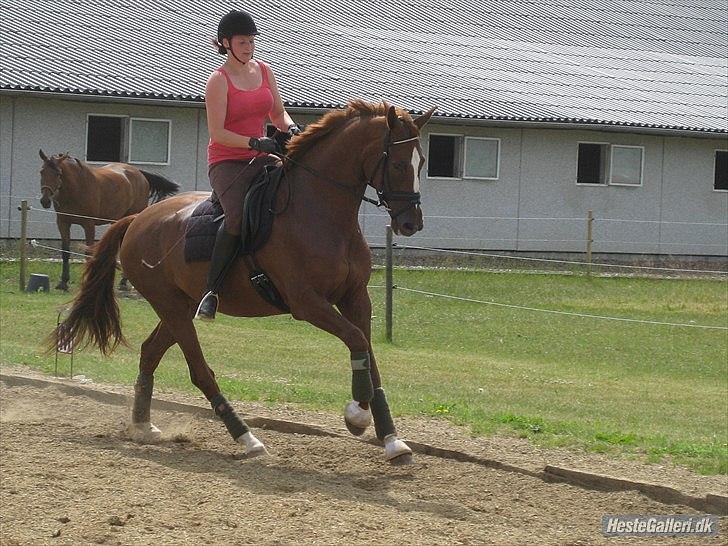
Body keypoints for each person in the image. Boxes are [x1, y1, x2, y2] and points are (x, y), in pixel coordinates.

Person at [195, 10, 301, 321]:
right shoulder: (218, 81)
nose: (249, 47)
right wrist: (254, 143)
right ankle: (211, 292)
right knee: (238, 217)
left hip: (261, 154)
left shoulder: (265, 71)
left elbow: (278, 114)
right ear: (225, 43)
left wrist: (291, 129)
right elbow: (218, 133)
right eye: (242, 42)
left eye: (252, 41)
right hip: (227, 161)